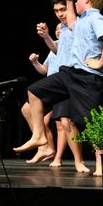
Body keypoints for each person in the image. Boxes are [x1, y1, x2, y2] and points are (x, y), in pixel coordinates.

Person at [14, 0, 103, 162]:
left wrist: (100, 62)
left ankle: (100, 164)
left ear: (87, 1)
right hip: (71, 73)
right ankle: (39, 137)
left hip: (89, 78)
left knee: (91, 122)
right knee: (33, 92)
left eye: (78, 0)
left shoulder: (96, 18)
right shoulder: (81, 20)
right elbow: (72, 22)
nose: (75, 4)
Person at [23, 22, 61, 165]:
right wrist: (35, 62)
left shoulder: (69, 44)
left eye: (61, 29)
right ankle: (44, 148)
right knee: (26, 109)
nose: (58, 31)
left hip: (61, 87)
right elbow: (45, 70)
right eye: (56, 29)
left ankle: (49, 151)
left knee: (48, 121)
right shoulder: (53, 46)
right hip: (49, 86)